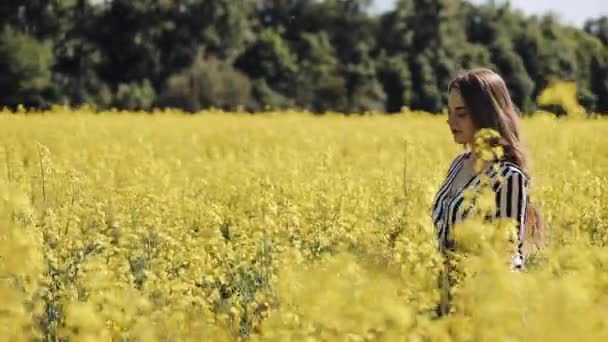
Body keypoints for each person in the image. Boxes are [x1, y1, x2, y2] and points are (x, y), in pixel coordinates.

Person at [430, 68, 544, 316]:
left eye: (461, 113)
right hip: (445, 304)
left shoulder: (508, 178)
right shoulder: (458, 165)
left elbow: (508, 256)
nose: (451, 122)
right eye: (449, 113)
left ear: (485, 114)